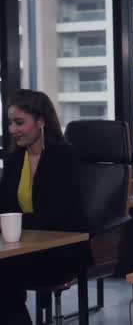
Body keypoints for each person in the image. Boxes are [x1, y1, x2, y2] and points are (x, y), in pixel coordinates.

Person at [0, 89, 86, 324]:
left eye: (19, 122)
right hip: (22, 247)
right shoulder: (14, 159)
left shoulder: (64, 156)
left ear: (40, 121)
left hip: (59, 251)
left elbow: (57, 214)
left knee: (3, 275)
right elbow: (4, 207)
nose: (11, 130)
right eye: (10, 123)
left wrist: (16, 226)